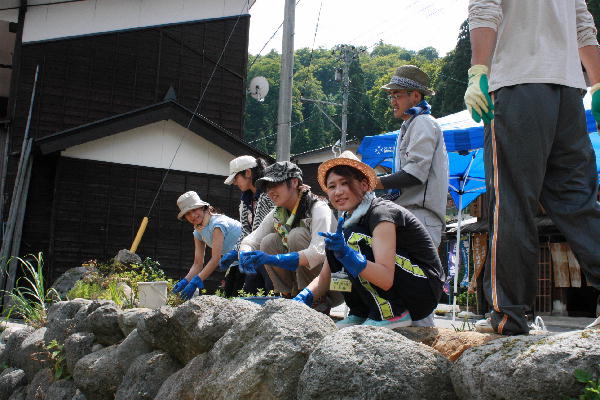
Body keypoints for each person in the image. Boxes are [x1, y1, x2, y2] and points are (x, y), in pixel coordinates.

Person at [465, 0, 600, 335]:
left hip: (516, 84)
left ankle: (508, 314)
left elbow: (485, 10)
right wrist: (597, 83)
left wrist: (478, 71)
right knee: (580, 204)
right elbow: (583, 25)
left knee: (511, 204)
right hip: (568, 92)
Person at [293, 151, 445, 328]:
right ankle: (360, 312)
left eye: (345, 183)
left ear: (364, 185)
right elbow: (324, 277)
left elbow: (385, 277)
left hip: (422, 289)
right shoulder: (350, 222)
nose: (338, 192)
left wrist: (348, 254)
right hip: (398, 284)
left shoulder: (382, 213)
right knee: (334, 244)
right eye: (332, 186)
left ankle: (392, 313)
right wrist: (301, 299)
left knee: (350, 241)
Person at [237, 161, 342, 310]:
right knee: (268, 241)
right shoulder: (277, 212)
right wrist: (245, 253)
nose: (270, 192)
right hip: (298, 287)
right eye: (267, 188)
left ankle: (317, 300)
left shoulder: (318, 207)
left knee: (296, 235)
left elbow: (318, 253)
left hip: (332, 284)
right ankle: (288, 295)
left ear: (294, 182)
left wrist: (274, 259)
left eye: (275, 185)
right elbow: (252, 240)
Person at [375, 65, 448, 248]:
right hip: (409, 216)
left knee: (415, 276)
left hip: (421, 218)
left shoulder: (423, 122)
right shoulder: (410, 125)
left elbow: (414, 174)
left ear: (415, 96)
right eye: (391, 96)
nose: (392, 102)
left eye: (397, 95)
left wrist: (373, 182)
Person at [220, 155, 275, 295]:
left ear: (248, 173)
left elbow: (263, 230)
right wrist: (235, 251)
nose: (234, 183)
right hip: (255, 252)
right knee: (249, 290)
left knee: (268, 288)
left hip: (273, 251)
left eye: (236, 178)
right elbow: (245, 230)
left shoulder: (269, 194)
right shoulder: (245, 201)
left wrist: (239, 251)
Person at [172, 191, 242, 300]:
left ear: (202, 208)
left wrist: (197, 280)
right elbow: (197, 264)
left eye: (194, 210)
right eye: (188, 214)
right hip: (234, 263)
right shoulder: (198, 231)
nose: (193, 216)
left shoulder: (217, 224)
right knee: (229, 298)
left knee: (241, 298)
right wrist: (186, 281)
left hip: (251, 258)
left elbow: (215, 259)